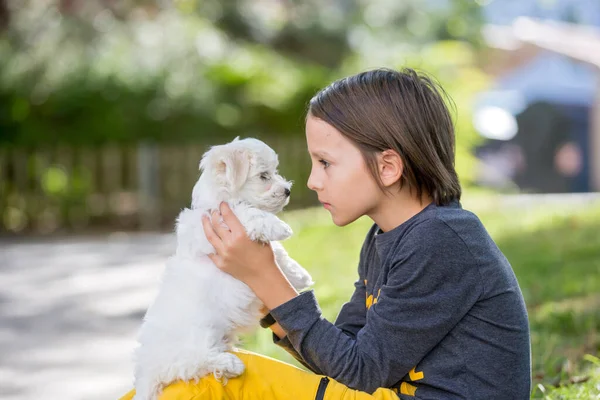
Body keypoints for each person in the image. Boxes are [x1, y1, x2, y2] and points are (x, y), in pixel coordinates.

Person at [120, 68, 531, 400]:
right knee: (167, 385)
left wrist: (268, 278)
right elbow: (344, 354)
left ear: (388, 167)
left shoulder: (441, 240)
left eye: (325, 163)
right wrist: (263, 300)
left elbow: (361, 372)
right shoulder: (384, 238)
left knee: (212, 383)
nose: (313, 181)